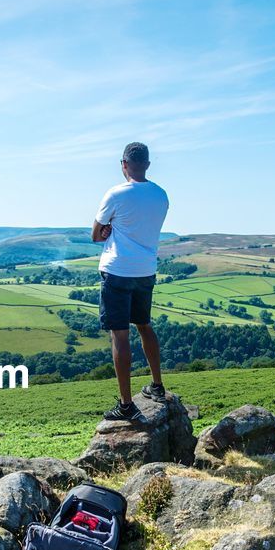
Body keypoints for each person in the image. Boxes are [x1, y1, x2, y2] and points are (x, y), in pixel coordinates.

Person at [92, 141, 170, 421]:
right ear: (148, 164)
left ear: (123, 164)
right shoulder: (161, 195)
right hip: (145, 270)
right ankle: (157, 386)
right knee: (145, 326)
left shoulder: (116, 193)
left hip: (117, 270)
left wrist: (109, 230)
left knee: (119, 335)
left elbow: (96, 234)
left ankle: (126, 405)